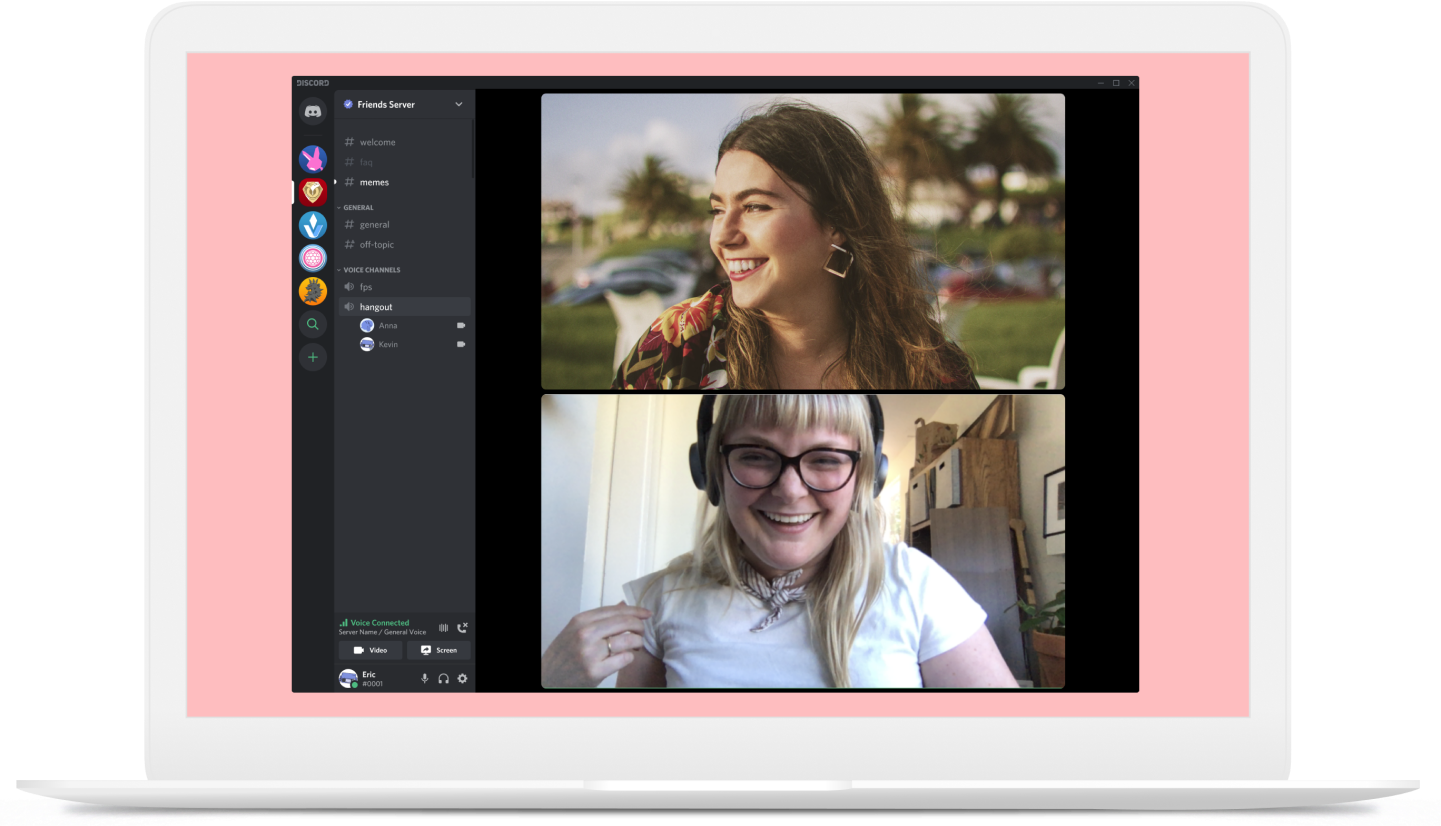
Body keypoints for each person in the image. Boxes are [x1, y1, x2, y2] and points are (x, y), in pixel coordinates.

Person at [539, 395, 1017, 688]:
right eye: (756, 455)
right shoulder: (656, 603)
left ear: (866, 479)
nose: (790, 490)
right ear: (710, 473)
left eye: (826, 460)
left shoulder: (918, 586)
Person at [610, 99, 978, 390]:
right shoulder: (681, 343)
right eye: (718, 209)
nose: (723, 235)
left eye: (755, 206)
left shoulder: (926, 364)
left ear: (837, 222)